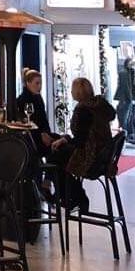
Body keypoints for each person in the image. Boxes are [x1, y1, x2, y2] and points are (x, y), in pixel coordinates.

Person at [50, 77, 116, 211]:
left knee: (55, 153)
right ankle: (67, 195)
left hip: (91, 159)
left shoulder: (83, 110)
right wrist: (66, 139)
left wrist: (66, 139)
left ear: (78, 92)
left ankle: (75, 196)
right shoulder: (98, 105)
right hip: (103, 158)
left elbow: (80, 142)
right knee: (59, 150)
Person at [17, 68, 55, 158]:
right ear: (28, 83)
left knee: (60, 141)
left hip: (42, 133)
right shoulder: (22, 100)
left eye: (41, 83)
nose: (40, 86)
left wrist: (46, 133)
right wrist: (41, 134)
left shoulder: (38, 98)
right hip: (32, 137)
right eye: (37, 83)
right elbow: (27, 123)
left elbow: (44, 119)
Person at [114, 58, 134, 140]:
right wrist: (129, 98)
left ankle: (128, 133)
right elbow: (126, 87)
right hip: (125, 99)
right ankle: (125, 135)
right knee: (124, 116)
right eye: (131, 63)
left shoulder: (129, 72)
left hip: (128, 98)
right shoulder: (124, 73)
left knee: (128, 116)